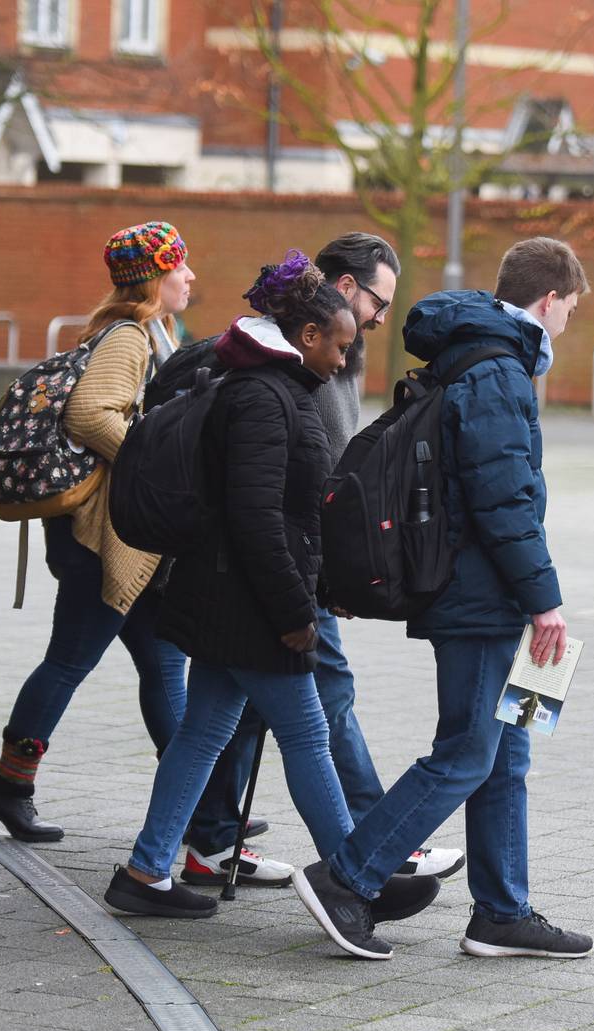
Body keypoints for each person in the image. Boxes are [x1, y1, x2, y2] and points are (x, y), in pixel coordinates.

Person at [102, 251, 440, 921]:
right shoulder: (262, 396)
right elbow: (257, 520)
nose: (345, 360)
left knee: (203, 733)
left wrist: (322, 583)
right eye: (341, 345)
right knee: (309, 737)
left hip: (225, 596)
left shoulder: (269, 385)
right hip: (249, 605)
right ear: (308, 335)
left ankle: (145, 871)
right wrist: (295, 608)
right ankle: (354, 881)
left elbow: (284, 514)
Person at [293, 237, 594, 961]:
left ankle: (501, 910)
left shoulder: (491, 359)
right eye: (572, 309)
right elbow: (504, 497)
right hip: (482, 596)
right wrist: (545, 600)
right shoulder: (497, 370)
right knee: (467, 749)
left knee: (509, 750)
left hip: (494, 594)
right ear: (549, 300)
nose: (570, 323)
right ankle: (348, 877)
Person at [176, 234, 465, 889]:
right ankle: (366, 856)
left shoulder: (327, 355)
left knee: (230, 716)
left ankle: (201, 844)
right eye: (378, 302)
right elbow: (285, 492)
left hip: (283, 570)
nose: (380, 319)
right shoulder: (286, 372)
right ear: (343, 288)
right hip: (285, 571)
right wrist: (316, 578)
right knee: (321, 706)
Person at [0, 221, 193, 842]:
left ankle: (198, 807)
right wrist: (152, 470)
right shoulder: (129, 338)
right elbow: (89, 413)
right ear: (155, 276)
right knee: (71, 661)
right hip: (102, 539)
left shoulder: (142, 333)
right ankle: (10, 788)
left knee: (162, 664)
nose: (190, 277)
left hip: (119, 537)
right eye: (181, 265)